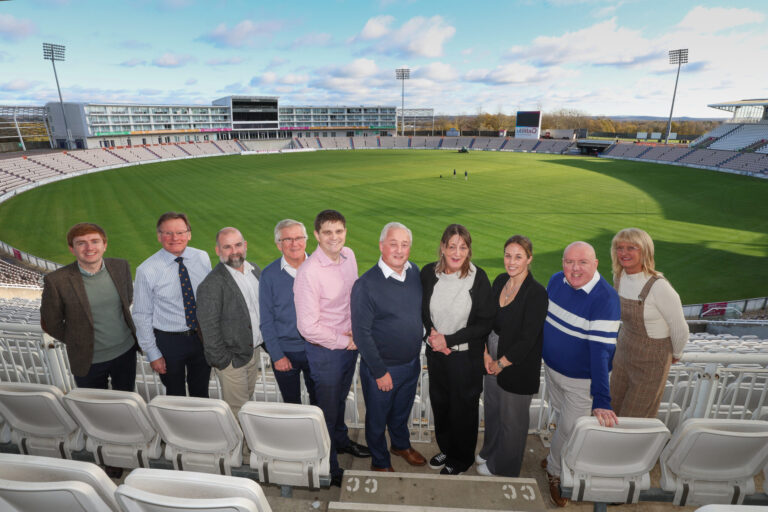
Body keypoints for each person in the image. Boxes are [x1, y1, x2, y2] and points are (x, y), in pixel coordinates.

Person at [293, 209, 370, 487]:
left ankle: (340, 442)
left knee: (338, 402)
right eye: (327, 232)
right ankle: (330, 466)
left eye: (339, 231)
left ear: (345, 232)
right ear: (316, 235)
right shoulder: (309, 273)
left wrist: (356, 332)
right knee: (326, 410)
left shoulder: (349, 256)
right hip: (326, 352)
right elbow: (307, 326)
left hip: (349, 345)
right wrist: (343, 341)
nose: (334, 237)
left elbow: (353, 299)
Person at [542, 241, 620, 507]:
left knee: (569, 428)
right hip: (551, 370)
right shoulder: (555, 281)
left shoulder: (606, 299)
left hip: (581, 383)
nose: (574, 269)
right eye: (568, 262)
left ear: (596, 264)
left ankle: (554, 472)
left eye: (582, 262)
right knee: (559, 416)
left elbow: (600, 353)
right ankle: (555, 456)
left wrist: (601, 398)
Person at [351, 222, 427, 472]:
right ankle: (380, 460)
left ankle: (400, 445)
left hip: (411, 363)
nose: (399, 249)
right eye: (393, 244)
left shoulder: (414, 271)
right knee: (376, 419)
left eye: (405, 244)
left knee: (401, 412)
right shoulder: (366, 285)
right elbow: (361, 334)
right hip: (382, 370)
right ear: (381, 245)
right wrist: (379, 371)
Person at [420, 224, 494, 475]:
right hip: (437, 354)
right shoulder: (429, 273)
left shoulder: (478, 277)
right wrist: (432, 336)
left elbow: (484, 323)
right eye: (452, 246)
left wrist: (448, 340)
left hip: (464, 358)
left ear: (469, 250)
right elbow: (423, 311)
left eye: (463, 247)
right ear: (442, 247)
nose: (457, 252)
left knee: (463, 409)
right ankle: (448, 448)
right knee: (440, 405)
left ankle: (462, 458)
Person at [477, 235, 548, 477]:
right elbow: (486, 319)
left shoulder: (537, 294)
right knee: (493, 410)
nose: (512, 261)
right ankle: (490, 451)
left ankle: (504, 467)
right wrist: (485, 353)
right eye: (508, 255)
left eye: (518, 256)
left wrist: (500, 363)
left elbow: (527, 339)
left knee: (512, 421)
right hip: (492, 354)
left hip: (517, 363)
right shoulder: (499, 281)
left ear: (529, 259)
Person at [40, 223, 138, 392]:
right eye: (81, 243)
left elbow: (127, 299)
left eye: (95, 241)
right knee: (94, 409)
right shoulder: (56, 281)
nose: (89, 247)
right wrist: (78, 340)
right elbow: (50, 323)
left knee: (125, 402)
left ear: (104, 245)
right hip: (88, 360)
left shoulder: (121, 266)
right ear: (72, 249)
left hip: (125, 353)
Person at [609, 228, 688, 418]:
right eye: (620, 248)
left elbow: (680, 328)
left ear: (644, 251)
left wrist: (675, 353)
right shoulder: (619, 277)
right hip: (624, 351)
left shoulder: (659, 286)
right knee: (610, 408)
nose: (624, 253)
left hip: (652, 359)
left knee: (635, 416)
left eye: (631, 248)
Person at [133, 212, 212, 397]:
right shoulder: (146, 270)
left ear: (189, 234)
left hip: (201, 337)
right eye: (167, 233)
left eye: (180, 232)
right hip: (169, 342)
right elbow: (141, 315)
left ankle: (198, 425)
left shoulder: (202, 257)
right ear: (159, 236)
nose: (175, 238)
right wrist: (153, 353)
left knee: (201, 392)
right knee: (174, 394)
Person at [196, 227, 262, 417]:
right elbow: (209, 328)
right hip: (232, 360)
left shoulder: (254, 270)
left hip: (252, 351)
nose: (234, 251)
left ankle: (245, 446)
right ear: (218, 250)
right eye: (227, 247)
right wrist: (224, 362)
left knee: (247, 405)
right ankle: (240, 448)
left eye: (238, 245)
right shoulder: (211, 284)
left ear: (245, 246)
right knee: (238, 411)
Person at [259, 219, 316, 405]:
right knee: (292, 405)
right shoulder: (269, 274)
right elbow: (266, 320)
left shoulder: (320, 268)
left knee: (321, 403)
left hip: (317, 350)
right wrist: (277, 355)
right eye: (287, 239)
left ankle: (321, 435)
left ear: (306, 240)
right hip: (285, 353)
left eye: (299, 238)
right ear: (278, 244)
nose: (294, 244)